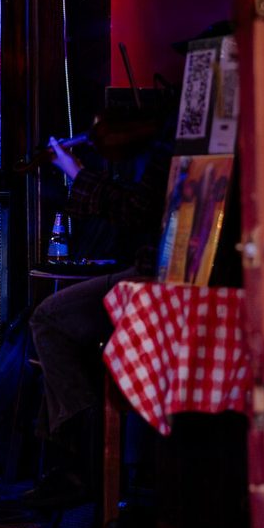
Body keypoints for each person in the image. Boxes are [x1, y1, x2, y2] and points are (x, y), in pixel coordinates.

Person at [26, 123, 171, 508]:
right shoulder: (164, 139)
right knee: (53, 322)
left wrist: (76, 172)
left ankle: (83, 457)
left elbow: (139, 209)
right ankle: (71, 460)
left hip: (153, 275)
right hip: (143, 268)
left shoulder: (169, 141)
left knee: (50, 320)